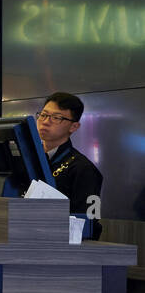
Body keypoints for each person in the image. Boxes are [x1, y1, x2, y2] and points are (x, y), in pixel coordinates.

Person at [35, 92, 104, 241]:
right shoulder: (30, 160)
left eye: (56, 118)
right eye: (43, 115)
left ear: (74, 126)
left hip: (61, 248)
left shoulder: (84, 169)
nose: (45, 122)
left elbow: (88, 223)